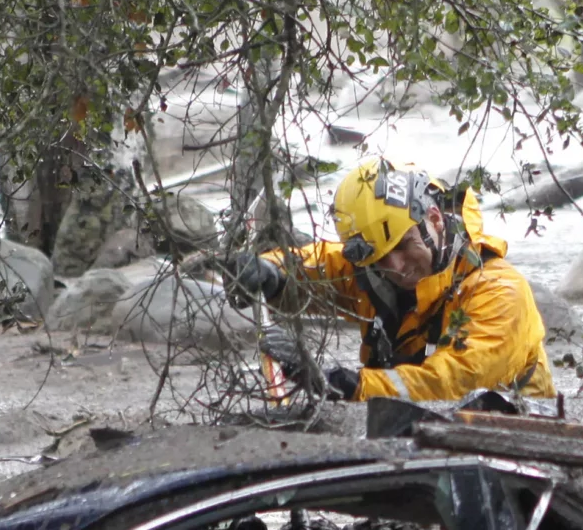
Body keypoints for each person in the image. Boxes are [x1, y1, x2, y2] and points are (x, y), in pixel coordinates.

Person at [227, 158, 555, 403]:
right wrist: (269, 271)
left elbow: (455, 382)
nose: (396, 266)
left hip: (510, 437)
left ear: (435, 219)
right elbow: (323, 261)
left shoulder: (498, 290)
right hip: (416, 431)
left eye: (402, 245)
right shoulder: (377, 266)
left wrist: (346, 384)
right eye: (379, 257)